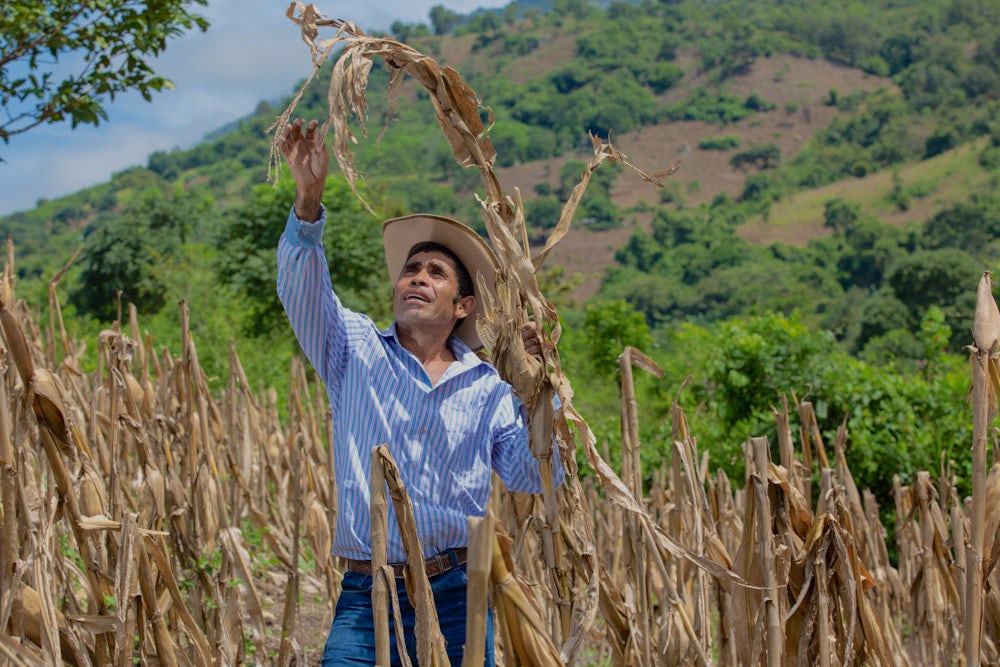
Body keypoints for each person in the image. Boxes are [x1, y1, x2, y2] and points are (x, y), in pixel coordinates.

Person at [276, 118, 561, 666]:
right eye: (410, 270)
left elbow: (532, 476)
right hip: (369, 590)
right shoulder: (353, 348)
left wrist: (541, 389)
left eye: (435, 272)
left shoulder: (488, 387)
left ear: (463, 307)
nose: (416, 277)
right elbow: (302, 289)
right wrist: (309, 199)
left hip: (459, 589)